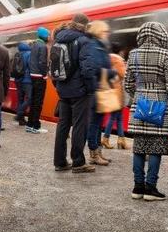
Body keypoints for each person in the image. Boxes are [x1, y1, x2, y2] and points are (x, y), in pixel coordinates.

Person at [124, 22, 168, 201]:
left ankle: (137, 187)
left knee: (139, 148)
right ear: (161, 35)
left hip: (140, 105)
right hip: (160, 106)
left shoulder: (133, 54)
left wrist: (139, 96)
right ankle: (151, 188)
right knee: (156, 148)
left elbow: (128, 84)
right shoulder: (165, 54)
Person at [52, 13, 98, 174]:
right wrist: (90, 89)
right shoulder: (84, 41)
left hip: (63, 89)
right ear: (84, 25)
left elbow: (53, 67)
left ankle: (59, 162)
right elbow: (87, 69)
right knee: (79, 125)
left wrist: (58, 85)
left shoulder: (58, 38)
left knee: (63, 125)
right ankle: (78, 162)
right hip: (79, 91)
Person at [85, 20, 115, 166]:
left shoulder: (99, 46)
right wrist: (113, 72)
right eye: (105, 31)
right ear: (99, 32)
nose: (107, 34)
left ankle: (97, 151)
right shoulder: (95, 47)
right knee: (95, 123)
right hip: (97, 89)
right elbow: (96, 68)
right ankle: (93, 153)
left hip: (100, 88)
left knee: (98, 123)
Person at [102, 43, 129, 150]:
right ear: (119, 50)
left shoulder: (106, 58)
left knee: (118, 117)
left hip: (109, 89)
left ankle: (121, 140)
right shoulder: (118, 59)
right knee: (115, 116)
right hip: (117, 91)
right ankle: (106, 138)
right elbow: (123, 74)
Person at [26, 26, 50, 134]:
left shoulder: (34, 45)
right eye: (48, 35)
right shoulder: (43, 46)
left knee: (33, 102)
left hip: (33, 76)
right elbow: (42, 62)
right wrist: (45, 74)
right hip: (39, 77)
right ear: (44, 36)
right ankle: (35, 126)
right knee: (38, 103)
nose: (49, 37)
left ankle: (29, 124)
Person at [12, 41, 32, 127]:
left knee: (20, 99)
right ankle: (19, 114)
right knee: (30, 98)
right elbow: (31, 66)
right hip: (27, 80)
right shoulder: (29, 54)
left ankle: (21, 120)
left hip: (18, 80)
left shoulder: (17, 54)